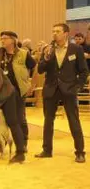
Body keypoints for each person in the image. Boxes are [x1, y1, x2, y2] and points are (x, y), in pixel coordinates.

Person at [36, 23, 89, 163]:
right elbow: (40, 70)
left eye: (58, 31)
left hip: (69, 89)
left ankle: (80, 152)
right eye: (53, 31)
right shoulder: (48, 49)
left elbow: (84, 71)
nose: (54, 33)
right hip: (51, 89)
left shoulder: (76, 49)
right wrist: (46, 58)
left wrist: (78, 87)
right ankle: (47, 150)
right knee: (48, 121)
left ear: (66, 33)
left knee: (73, 120)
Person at [0, 31, 36, 151]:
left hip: (19, 90)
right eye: (1, 38)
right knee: (1, 118)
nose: (2, 40)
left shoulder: (24, 54)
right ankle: (1, 143)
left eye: (5, 38)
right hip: (2, 91)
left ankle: (23, 143)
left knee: (19, 118)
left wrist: (32, 85)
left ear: (13, 40)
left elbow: (35, 67)